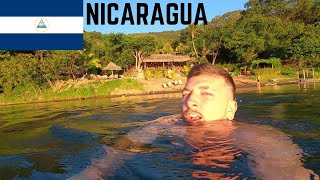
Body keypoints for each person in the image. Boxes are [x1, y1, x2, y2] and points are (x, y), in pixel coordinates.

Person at [70, 63, 318, 179]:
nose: (190, 102)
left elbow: (288, 174)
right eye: (186, 94)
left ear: (231, 109)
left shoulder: (254, 137)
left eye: (206, 94)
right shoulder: (166, 124)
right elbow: (127, 144)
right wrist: (96, 171)